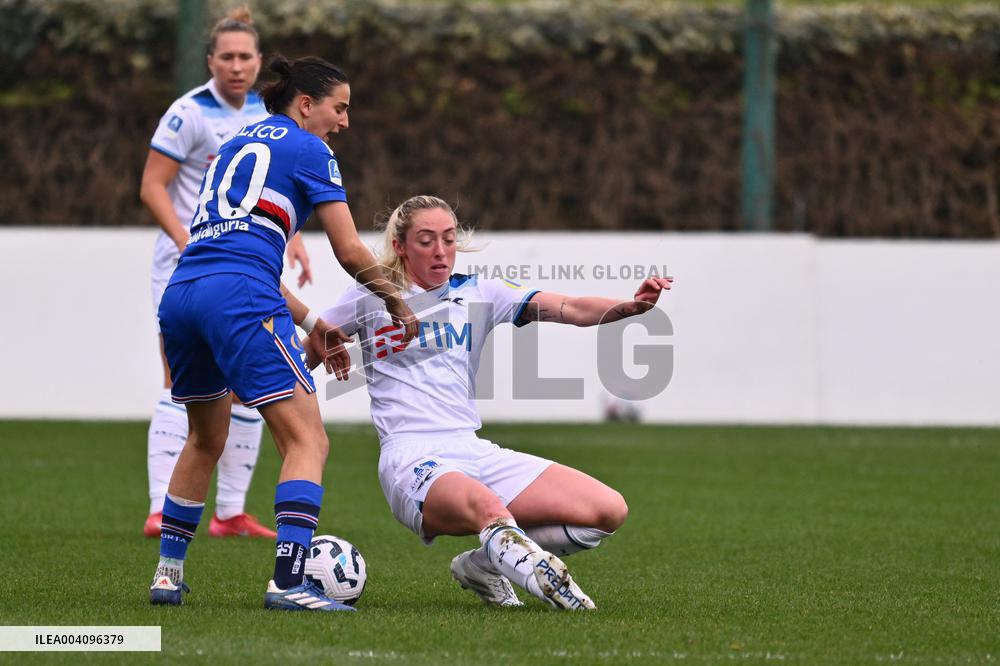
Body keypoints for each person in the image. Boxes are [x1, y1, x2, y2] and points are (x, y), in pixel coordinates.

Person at [148, 54, 417, 612]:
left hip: (184, 293)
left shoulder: (236, 144)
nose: (344, 121)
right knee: (306, 440)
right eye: (339, 108)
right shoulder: (310, 149)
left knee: (204, 438)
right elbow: (348, 248)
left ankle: (168, 576)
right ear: (306, 104)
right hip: (240, 296)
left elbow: (231, 254)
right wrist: (396, 300)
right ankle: (289, 582)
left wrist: (313, 322)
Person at [312, 195, 672, 610]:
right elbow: (308, 348)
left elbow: (569, 307)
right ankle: (553, 589)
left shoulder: (479, 291)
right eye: (426, 240)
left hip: (472, 449)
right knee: (488, 506)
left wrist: (630, 308)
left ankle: (481, 566)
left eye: (448, 239)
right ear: (400, 246)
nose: (441, 250)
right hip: (410, 458)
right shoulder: (371, 296)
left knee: (607, 510)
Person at [140, 6, 313, 540]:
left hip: (243, 263)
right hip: (188, 263)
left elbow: (268, 188)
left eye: (245, 57)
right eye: (227, 57)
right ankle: (159, 506)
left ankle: (231, 512)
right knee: (182, 385)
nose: (237, 66)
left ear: (259, 61)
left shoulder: (265, 115)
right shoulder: (188, 112)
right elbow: (152, 186)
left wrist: (295, 239)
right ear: (210, 60)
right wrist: (185, 239)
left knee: (245, 388)